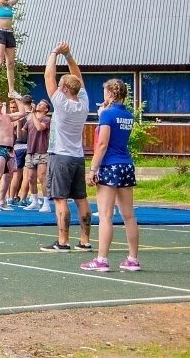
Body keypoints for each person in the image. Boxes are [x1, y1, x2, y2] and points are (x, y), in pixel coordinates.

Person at [81, 79, 141, 272]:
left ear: (110, 93)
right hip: (126, 165)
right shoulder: (127, 114)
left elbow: (102, 144)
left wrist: (92, 169)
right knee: (129, 215)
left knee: (106, 215)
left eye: (105, 92)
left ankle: (102, 260)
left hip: (110, 165)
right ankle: (132, 259)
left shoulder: (107, 114)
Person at [40, 42, 93, 253]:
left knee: (60, 199)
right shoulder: (83, 103)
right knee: (81, 198)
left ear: (64, 89)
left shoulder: (61, 103)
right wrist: (69, 56)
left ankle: (62, 242)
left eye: (61, 84)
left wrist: (54, 53)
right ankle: (85, 241)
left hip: (60, 156)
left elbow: (48, 77)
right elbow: (77, 77)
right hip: (77, 157)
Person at [23, 99, 52, 212]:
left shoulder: (47, 119)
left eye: (41, 104)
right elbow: (22, 131)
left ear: (46, 109)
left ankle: (46, 203)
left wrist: (33, 113)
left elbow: (40, 128)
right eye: (38, 104)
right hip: (30, 151)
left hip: (42, 151)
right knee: (30, 177)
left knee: (42, 177)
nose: (38, 105)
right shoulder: (30, 119)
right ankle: (34, 200)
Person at [7, 95, 33, 205]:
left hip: (20, 146)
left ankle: (15, 197)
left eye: (14, 107)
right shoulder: (12, 119)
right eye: (11, 108)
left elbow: (18, 134)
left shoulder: (21, 117)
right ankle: (13, 197)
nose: (13, 109)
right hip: (17, 146)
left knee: (20, 175)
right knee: (17, 174)